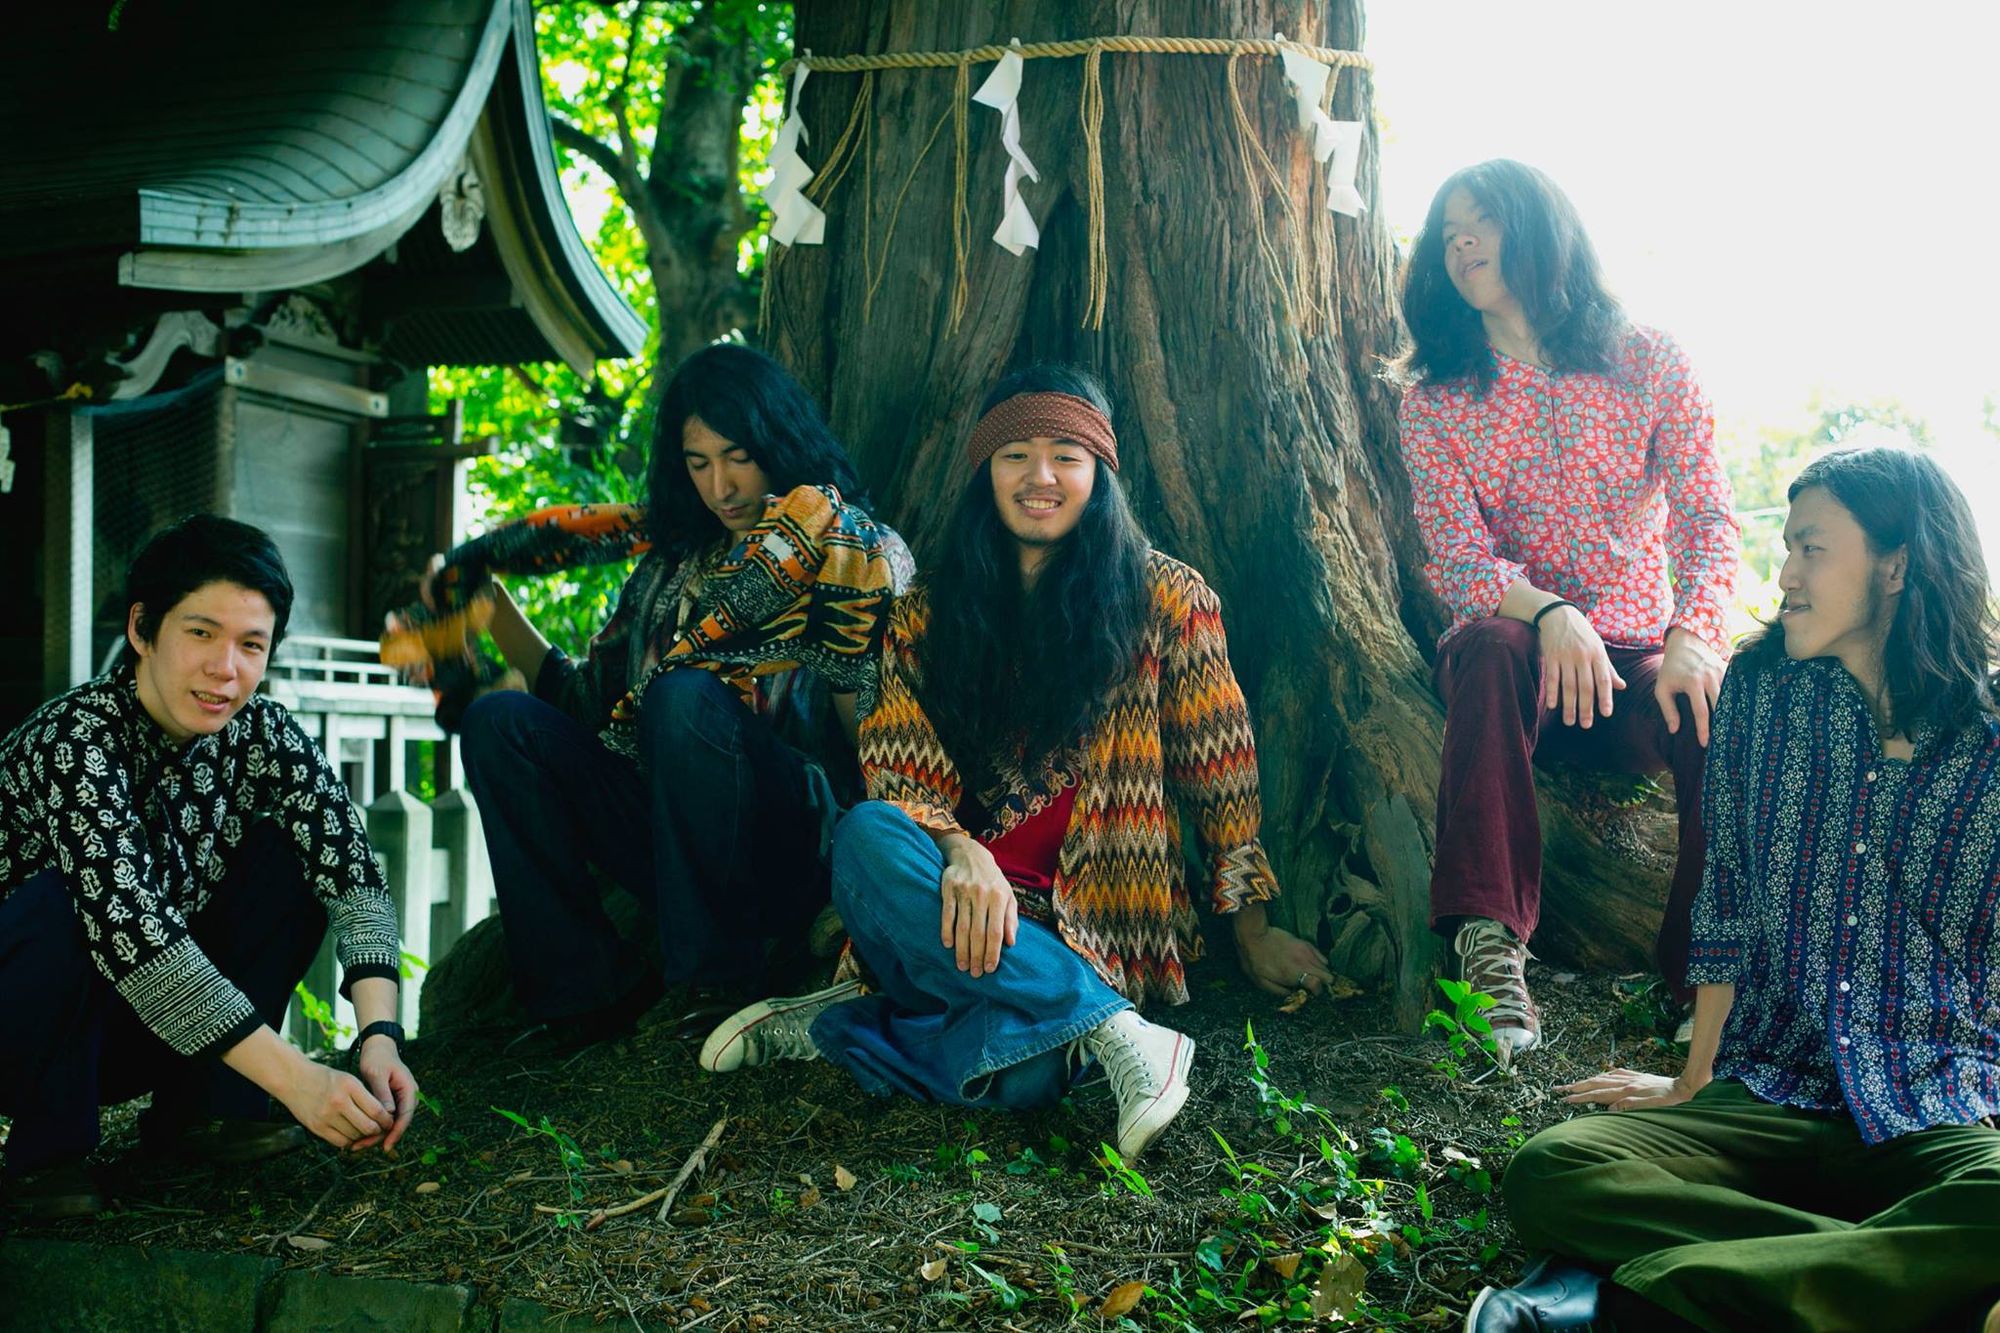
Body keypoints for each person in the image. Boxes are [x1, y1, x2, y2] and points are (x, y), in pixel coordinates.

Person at [697, 365, 1331, 1160]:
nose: (1041, 477)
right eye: (1016, 456)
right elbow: (897, 768)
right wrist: (960, 850)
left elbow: (1221, 769)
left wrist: (1253, 929)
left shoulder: (1168, 598)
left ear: (1099, 471)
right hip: (947, 903)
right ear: (985, 472)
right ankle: (1118, 1032)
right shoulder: (926, 612)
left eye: (1066, 454)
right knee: (867, 833)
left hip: (1097, 920)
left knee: (1030, 1076)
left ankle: (843, 1024)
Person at [1468, 448, 2000, 1333]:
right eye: (1787, 548)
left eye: (1812, 549)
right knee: (1554, 1172)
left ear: (1896, 565)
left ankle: (1633, 1302)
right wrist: (1693, 1077)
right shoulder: (1760, 692)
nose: (1786, 575)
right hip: (1767, 1095)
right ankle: (1898, 1276)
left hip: (1933, 1103)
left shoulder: (1989, 739)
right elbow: (1727, 899)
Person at [382, 343, 911, 1050]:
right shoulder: (673, 565)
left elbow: (878, 742)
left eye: (739, 457)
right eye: (699, 464)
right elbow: (587, 707)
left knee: (684, 695)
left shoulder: (850, 546)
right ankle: (583, 992)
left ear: (780, 445)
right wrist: (488, 606)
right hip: (670, 839)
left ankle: (714, 986)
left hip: (798, 844)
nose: (721, 485)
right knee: (499, 721)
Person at [1394, 159, 1740, 1062]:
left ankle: (1703, 979)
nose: (1461, 244)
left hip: (1634, 668)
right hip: (1511, 673)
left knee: (1716, 705)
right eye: (1447, 235)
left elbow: (1709, 519)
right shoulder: (1435, 402)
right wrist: (1550, 612)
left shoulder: (1647, 360)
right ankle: (1487, 955)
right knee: (1491, 644)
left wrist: (1695, 637)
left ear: (1539, 229)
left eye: (1480, 222)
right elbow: (1457, 559)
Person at [0, 515, 418, 1219]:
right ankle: (45, 1154)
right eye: (200, 632)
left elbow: (352, 873)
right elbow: (138, 941)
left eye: (251, 644)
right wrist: (298, 1079)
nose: (226, 669)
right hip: (23, 1031)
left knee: (292, 861)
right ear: (143, 630)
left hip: (145, 1030)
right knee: (66, 902)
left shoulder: (263, 732)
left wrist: (380, 1035)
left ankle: (208, 1109)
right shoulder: (74, 739)